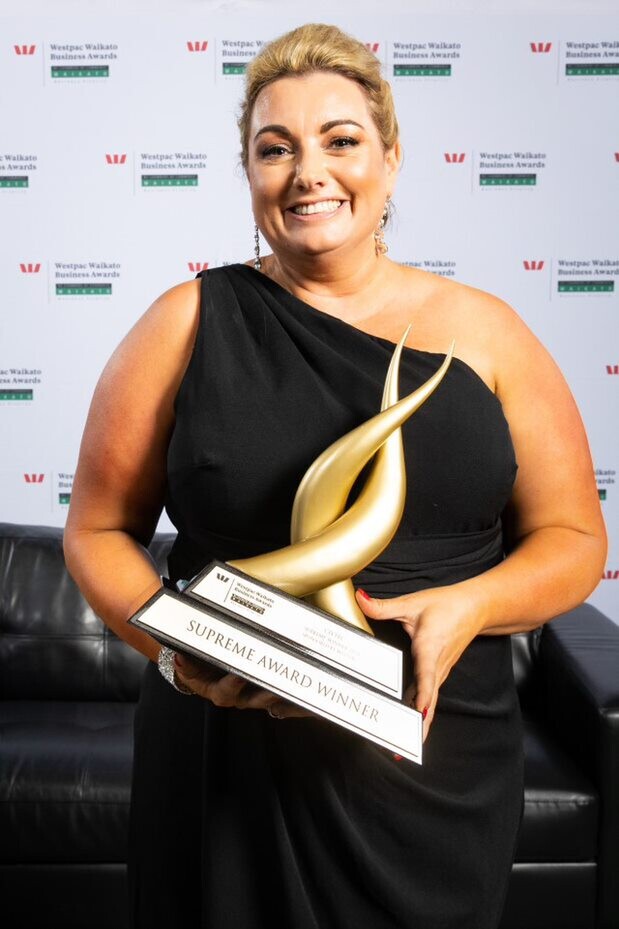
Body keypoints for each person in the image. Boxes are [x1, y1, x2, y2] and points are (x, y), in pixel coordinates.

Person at [64, 22, 607, 929]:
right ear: (249, 175)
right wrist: (176, 654)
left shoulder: (489, 333)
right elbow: (96, 529)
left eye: (340, 141)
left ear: (390, 161)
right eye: (274, 149)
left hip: (432, 764)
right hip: (226, 760)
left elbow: (575, 537)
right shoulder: (183, 322)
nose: (307, 172)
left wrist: (470, 603)